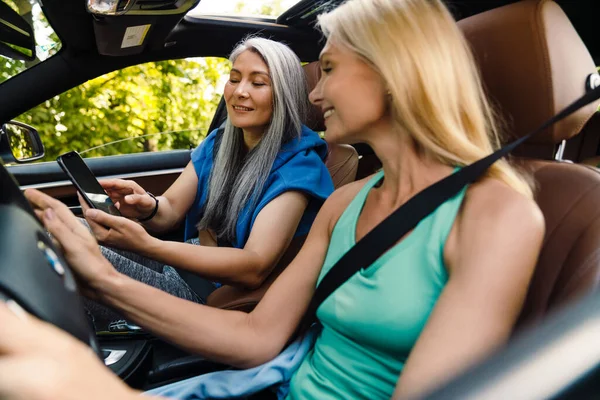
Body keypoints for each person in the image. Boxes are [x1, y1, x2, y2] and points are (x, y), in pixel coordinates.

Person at [9, 0, 544, 398]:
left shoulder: (499, 214)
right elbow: (257, 339)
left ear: (395, 72)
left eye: (328, 69)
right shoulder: (348, 202)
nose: (314, 93)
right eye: (234, 79)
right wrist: (103, 271)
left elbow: (253, 270)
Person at [76, 36, 335, 330]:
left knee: (66, 251)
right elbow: (171, 208)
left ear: (284, 93)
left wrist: (148, 245)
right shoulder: (220, 143)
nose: (239, 92)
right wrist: (147, 206)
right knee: (68, 229)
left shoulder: (300, 167)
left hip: (210, 297)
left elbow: (254, 267)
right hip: (183, 265)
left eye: (258, 83)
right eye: (234, 79)